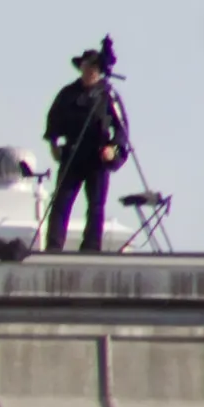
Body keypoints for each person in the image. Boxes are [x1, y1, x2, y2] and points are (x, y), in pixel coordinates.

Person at [43, 43, 128, 253]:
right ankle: (54, 246)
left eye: (94, 68)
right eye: (87, 67)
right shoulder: (67, 93)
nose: (90, 71)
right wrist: (54, 144)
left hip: (98, 157)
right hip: (72, 154)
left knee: (96, 205)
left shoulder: (109, 96)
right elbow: (53, 120)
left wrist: (113, 150)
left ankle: (91, 247)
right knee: (61, 201)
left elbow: (122, 130)